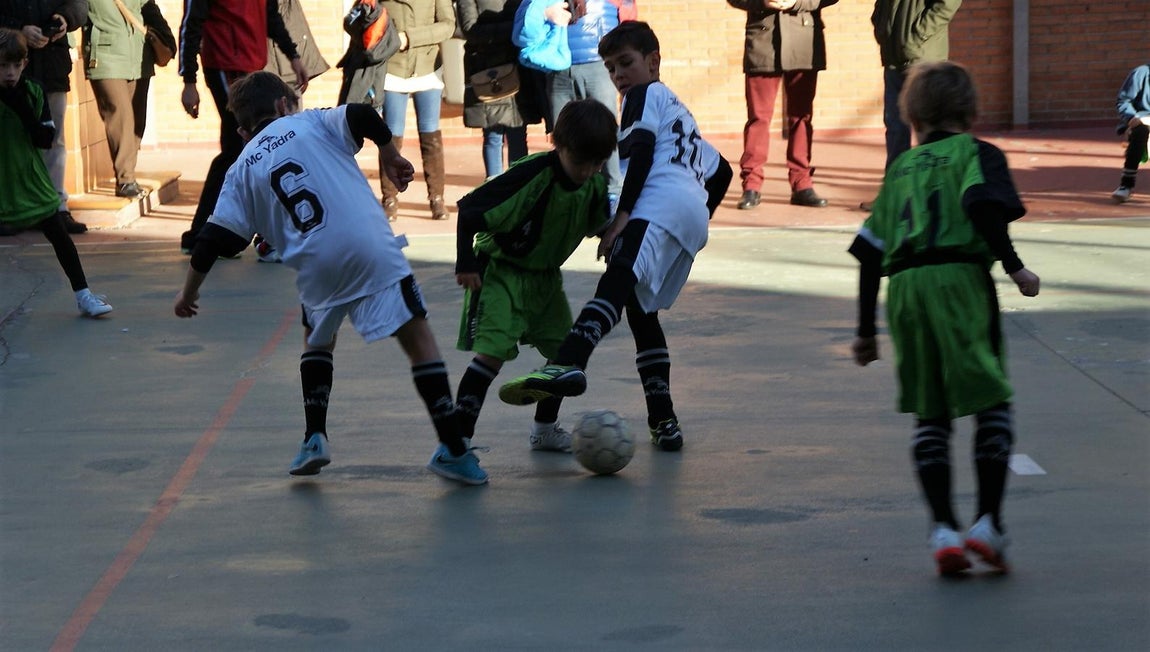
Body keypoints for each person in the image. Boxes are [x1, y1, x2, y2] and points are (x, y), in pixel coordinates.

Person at [173, 71, 487, 486]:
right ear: (285, 105)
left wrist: (187, 294)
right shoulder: (310, 122)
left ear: (242, 130)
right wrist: (390, 153)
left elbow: (213, 241)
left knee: (317, 339)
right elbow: (361, 114)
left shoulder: (239, 169)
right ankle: (453, 449)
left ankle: (314, 437)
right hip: (368, 245)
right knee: (418, 340)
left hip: (315, 266)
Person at [498, 21, 733, 453]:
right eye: (611, 68)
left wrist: (624, 215)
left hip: (656, 206)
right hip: (687, 218)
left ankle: (569, 362)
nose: (618, 75)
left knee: (617, 277)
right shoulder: (682, 112)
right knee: (641, 314)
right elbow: (723, 171)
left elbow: (640, 151)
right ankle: (663, 419)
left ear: (653, 61)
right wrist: (701, 216)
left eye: (625, 63)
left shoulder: (643, 97)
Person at [847, 61, 1040, 576]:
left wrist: (866, 331)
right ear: (971, 111)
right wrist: (1015, 266)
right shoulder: (976, 154)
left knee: (930, 414)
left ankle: (942, 529)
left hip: (906, 291)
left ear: (911, 115)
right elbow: (981, 206)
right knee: (991, 400)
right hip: (959, 282)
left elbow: (869, 252)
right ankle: (987, 524)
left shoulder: (901, 169)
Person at [455, 98, 616, 452]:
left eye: (598, 163)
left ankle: (544, 430)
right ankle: (455, 444)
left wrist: (614, 233)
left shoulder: (593, 185)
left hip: (545, 280)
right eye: (580, 161)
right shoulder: (531, 176)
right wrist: (465, 263)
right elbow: (469, 210)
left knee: (565, 355)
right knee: (490, 357)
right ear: (558, 144)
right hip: (500, 274)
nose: (589, 170)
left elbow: (599, 223)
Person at [177, 0, 307, 254]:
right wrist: (189, 80)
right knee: (240, 147)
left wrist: (293, 56)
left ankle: (217, 233)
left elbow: (271, 16)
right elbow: (191, 24)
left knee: (246, 149)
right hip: (224, 65)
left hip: (251, 66)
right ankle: (203, 234)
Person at [0, 28, 113, 318]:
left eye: (16, 65)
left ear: (25, 63)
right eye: (2, 66)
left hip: (30, 180)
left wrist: (22, 108)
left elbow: (45, 139)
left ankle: (84, 295)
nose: (10, 73)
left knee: (60, 236)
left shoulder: (33, 91)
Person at [728, 0, 838, 211]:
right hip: (763, 42)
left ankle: (802, 184)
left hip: (803, 42)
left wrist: (797, 2)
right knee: (758, 119)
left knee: (801, 117)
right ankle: (751, 185)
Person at [0, 0, 89, 236]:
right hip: (10, 68)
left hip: (52, 67)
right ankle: (8, 208)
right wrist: (19, 28)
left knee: (55, 140)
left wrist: (64, 19)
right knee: (9, 142)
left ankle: (56, 208)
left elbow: (80, 5)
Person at [82, 0, 173, 200]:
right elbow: (75, 9)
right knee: (120, 115)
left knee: (137, 120)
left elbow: (149, 8)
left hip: (139, 56)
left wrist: (167, 38)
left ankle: (128, 174)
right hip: (105, 56)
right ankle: (125, 180)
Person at [378, 0, 457, 221]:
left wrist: (409, 37)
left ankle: (437, 198)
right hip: (392, 68)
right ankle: (390, 198)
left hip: (427, 67)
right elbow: (362, 17)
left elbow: (448, 25)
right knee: (390, 136)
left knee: (430, 134)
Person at [457, 0, 547, 179]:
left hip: (519, 71)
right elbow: (470, 30)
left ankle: (519, 189)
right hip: (488, 73)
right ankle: (494, 191)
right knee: (493, 135)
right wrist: (515, 28)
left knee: (518, 133)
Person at [1111, 63, 1150, 203]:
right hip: (1142, 121)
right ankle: (1126, 185)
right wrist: (1131, 117)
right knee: (1141, 132)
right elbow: (1123, 101)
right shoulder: (1141, 73)